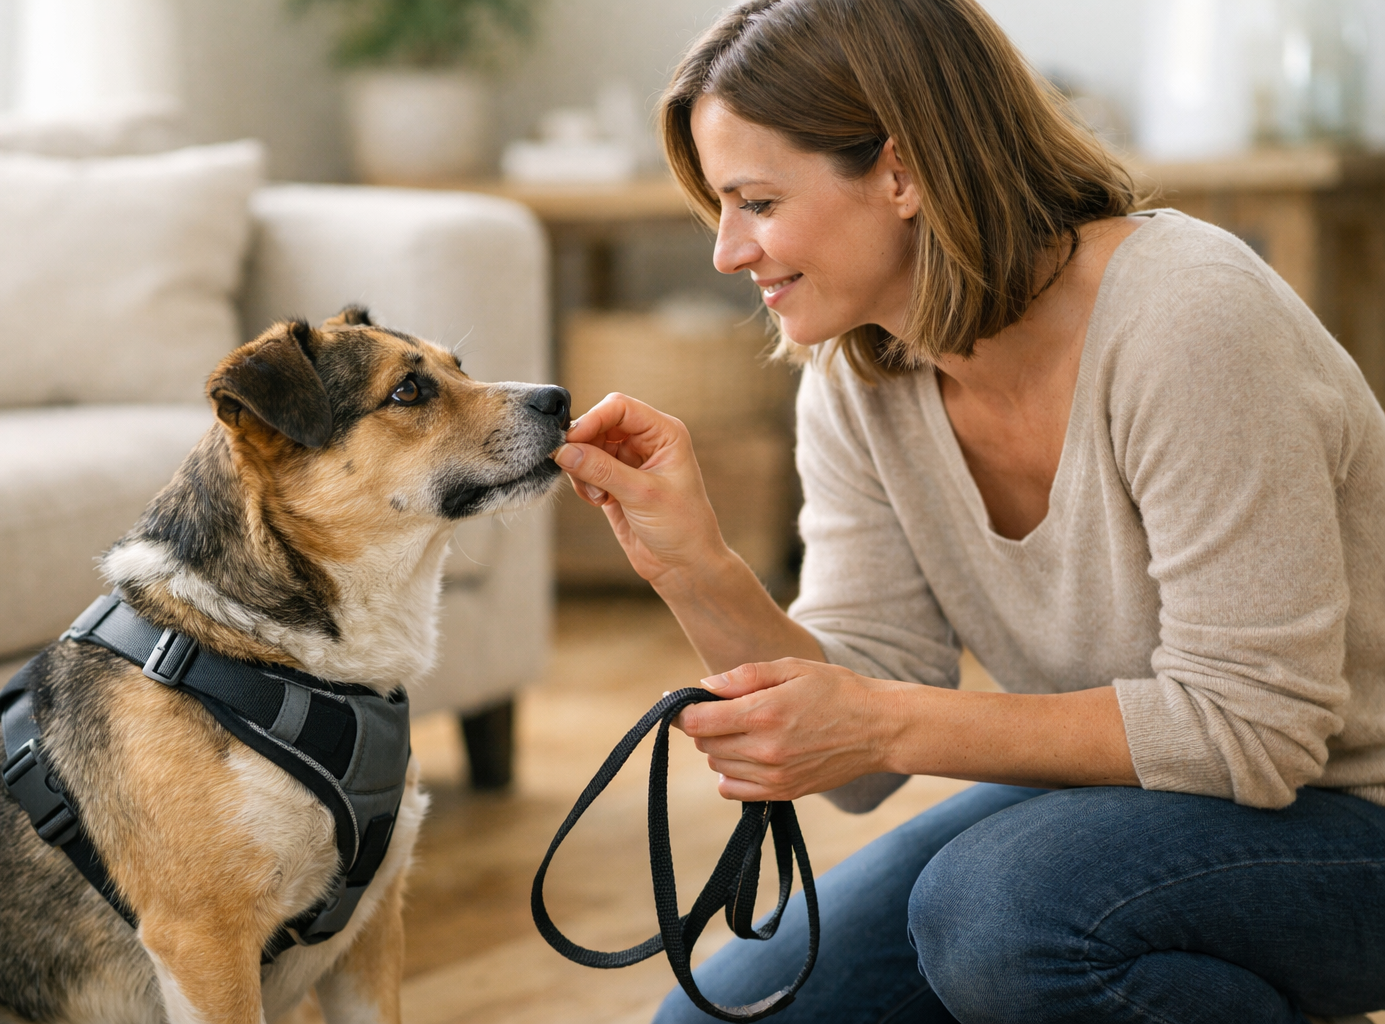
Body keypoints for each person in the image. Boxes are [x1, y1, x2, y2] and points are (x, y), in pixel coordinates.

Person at [550, 1, 1385, 1021]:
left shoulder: (1188, 317)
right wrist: (695, 564)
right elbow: (855, 760)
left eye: (757, 200)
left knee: (1003, 916)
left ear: (900, 174)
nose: (728, 251)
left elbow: (1256, 728)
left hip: (1351, 808)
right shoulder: (857, 377)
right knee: (717, 1015)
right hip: (1155, 804)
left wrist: (882, 721)